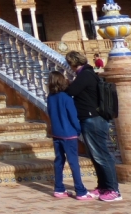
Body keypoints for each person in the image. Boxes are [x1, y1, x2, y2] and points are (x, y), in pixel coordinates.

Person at [64, 51, 121, 202]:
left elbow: (71, 91)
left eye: (69, 64)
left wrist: (65, 84)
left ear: (74, 63)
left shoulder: (85, 75)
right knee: (96, 156)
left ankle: (113, 189)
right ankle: (103, 186)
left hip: (93, 119)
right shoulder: (86, 74)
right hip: (90, 119)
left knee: (101, 155)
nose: (69, 67)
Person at [47, 70, 93, 200]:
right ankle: (80, 190)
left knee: (59, 161)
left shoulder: (50, 97)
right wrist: (78, 130)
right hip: (69, 134)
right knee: (73, 163)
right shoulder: (67, 98)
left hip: (57, 133)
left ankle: (59, 188)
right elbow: (73, 116)